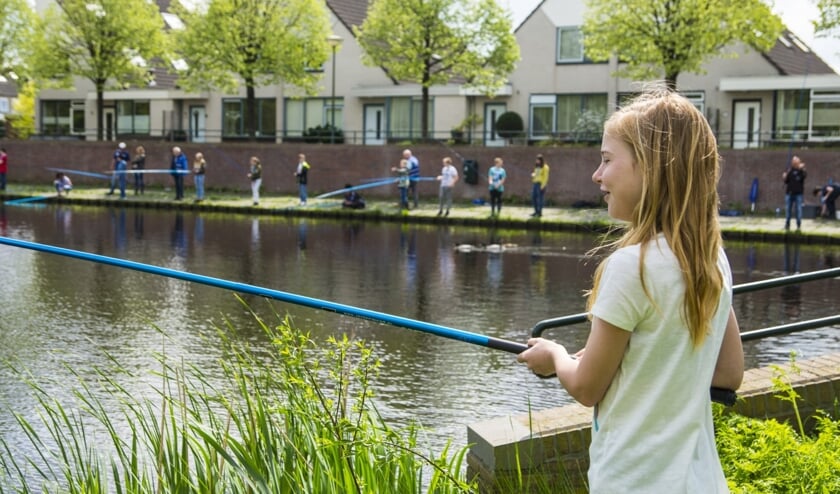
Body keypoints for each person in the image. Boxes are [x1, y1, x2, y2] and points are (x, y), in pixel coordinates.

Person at [516, 88, 744, 493]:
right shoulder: (711, 260)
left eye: (606, 159)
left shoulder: (631, 267)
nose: (597, 174)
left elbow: (586, 387)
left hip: (633, 481)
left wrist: (555, 356)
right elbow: (728, 373)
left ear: (651, 168)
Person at [782, 155, 807, 231]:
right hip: (789, 193)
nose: (794, 162)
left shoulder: (801, 171)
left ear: (799, 162)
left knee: (798, 209)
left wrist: (801, 168)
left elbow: (804, 176)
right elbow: (786, 182)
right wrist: (784, 177)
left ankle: (798, 225)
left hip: (798, 194)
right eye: (793, 161)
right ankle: (787, 224)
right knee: (788, 209)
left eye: (796, 161)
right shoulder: (790, 171)